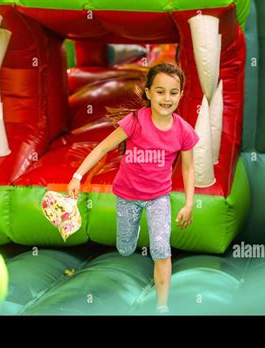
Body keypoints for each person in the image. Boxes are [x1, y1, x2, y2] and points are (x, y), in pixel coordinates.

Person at [67, 63, 199, 314]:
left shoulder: (183, 131)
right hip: (127, 196)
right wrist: (77, 176)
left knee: (161, 250)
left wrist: (189, 203)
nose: (167, 98)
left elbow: (188, 169)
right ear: (148, 93)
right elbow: (102, 148)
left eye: (173, 92)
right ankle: (133, 229)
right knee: (125, 247)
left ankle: (162, 306)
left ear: (181, 95)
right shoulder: (136, 120)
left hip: (158, 198)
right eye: (160, 91)